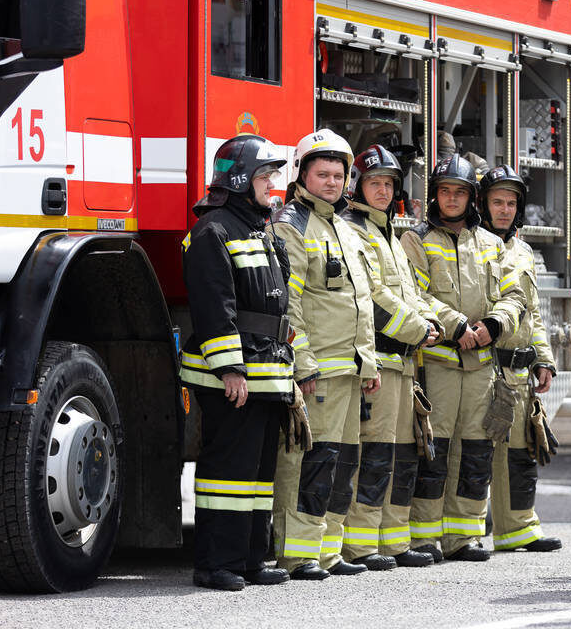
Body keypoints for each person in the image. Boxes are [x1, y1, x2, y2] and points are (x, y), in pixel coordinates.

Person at [180, 134, 295, 591]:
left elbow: (278, 306)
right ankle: (215, 565)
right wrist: (230, 369)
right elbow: (214, 306)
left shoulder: (258, 226)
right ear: (244, 178)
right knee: (226, 476)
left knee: (257, 476)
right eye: (267, 176)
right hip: (236, 376)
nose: (273, 185)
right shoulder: (213, 230)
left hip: (267, 373)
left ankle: (249, 559)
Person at [401, 154, 526, 562]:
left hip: (480, 365)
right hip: (437, 361)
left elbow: (514, 295)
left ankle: (463, 536)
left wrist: (493, 325)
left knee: (475, 450)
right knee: (433, 449)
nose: (452, 199)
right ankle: (423, 537)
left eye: (460, 192)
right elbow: (415, 294)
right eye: (444, 191)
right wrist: (457, 327)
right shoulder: (417, 240)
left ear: (471, 196)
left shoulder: (491, 244)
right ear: (434, 195)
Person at [271, 129, 381, 580]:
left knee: (342, 463)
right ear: (303, 175)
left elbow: (364, 301)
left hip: (352, 370)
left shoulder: (348, 228)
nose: (332, 182)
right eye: (323, 174)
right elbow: (288, 304)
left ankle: (329, 549)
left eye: (338, 174)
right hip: (318, 370)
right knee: (308, 462)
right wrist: (302, 361)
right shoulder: (290, 225)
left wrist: (369, 361)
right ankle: (298, 553)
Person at [339, 145, 444, 569]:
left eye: (388, 184)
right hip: (378, 360)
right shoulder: (353, 229)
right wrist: (420, 329)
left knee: (402, 454)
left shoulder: (389, 233)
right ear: (357, 186)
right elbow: (373, 296)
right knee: (375, 454)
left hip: (403, 363)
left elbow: (411, 292)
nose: (383, 190)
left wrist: (438, 322)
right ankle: (362, 544)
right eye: (374, 183)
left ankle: (394, 541)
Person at [479, 165, 562, 553]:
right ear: (483, 203)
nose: (505, 210)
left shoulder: (523, 250)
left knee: (520, 451)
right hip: (482, 365)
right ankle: (468, 530)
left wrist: (543, 359)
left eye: (512, 203)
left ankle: (519, 529)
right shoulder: (471, 245)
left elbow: (535, 312)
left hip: (518, 369)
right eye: (497, 201)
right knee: (478, 450)